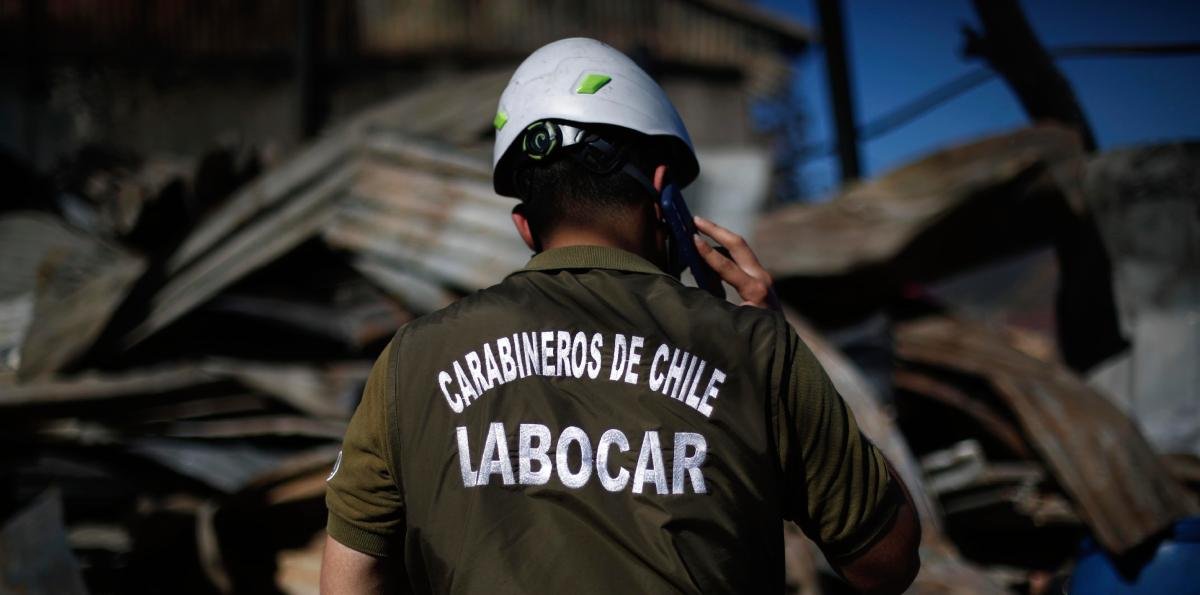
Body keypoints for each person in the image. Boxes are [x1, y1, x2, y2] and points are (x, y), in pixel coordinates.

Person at [321, 38, 920, 594]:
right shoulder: (756, 351)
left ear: (524, 224)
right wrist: (772, 335)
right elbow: (886, 559)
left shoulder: (411, 360)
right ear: (665, 194)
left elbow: (347, 581)